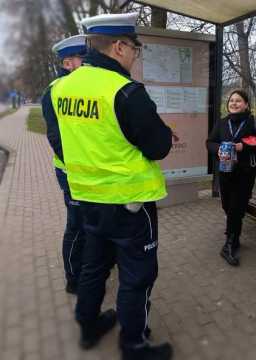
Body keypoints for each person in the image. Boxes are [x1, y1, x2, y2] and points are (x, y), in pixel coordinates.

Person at [42, 12, 173, 360]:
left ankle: (88, 325)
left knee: (93, 266)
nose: (134, 54)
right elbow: (159, 146)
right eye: (134, 47)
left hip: (86, 196)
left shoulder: (61, 88)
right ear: (118, 46)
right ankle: (134, 345)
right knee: (137, 276)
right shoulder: (125, 91)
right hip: (129, 202)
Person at [42, 34, 87, 294]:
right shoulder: (55, 90)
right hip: (71, 171)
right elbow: (55, 135)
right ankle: (73, 276)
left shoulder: (86, 86)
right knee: (77, 223)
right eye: (84, 58)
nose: (89, 62)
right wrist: (77, 162)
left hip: (89, 170)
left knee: (90, 221)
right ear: (68, 62)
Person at [206, 89, 256, 266]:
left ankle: (230, 243)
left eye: (238, 101)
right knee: (227, 205)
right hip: (225, 171)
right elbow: (210, 142)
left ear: (246, 104)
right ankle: (233, 234)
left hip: (245, 173)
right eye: (231, 101)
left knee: (236, 207)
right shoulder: (222, 123)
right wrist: (219, 149)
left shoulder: (254, 121)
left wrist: (242, 147)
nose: (234, 103)